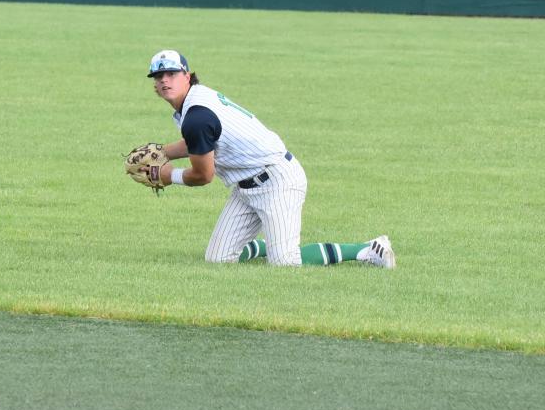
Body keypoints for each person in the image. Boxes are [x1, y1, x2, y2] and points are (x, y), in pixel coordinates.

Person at [145, 49, 395, 268]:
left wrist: (168, 176)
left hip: (277, 181)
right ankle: (272, 244)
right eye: (159, 76)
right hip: (246, 187)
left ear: (187, 76)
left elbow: (203, 175)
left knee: (287, 262)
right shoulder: (197, 100)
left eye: (172, 74)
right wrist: (162, 152)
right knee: (218, 260)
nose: (165, 80)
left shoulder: (197, 116)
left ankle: (369, 249)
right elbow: (200, 143)